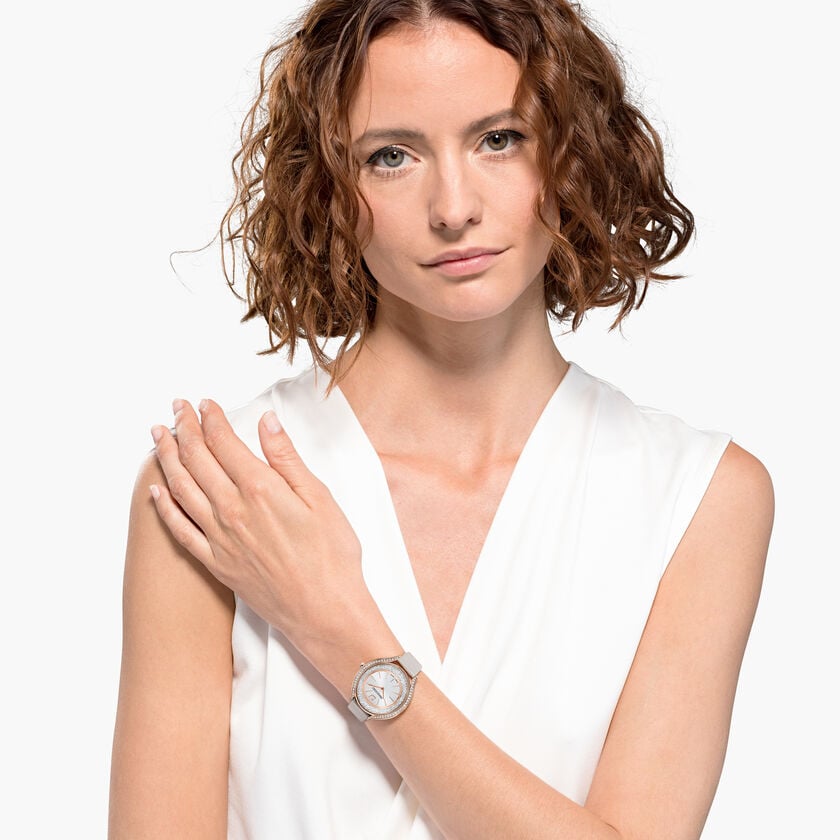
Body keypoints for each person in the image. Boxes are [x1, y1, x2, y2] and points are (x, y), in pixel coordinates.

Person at [108, 1, 774, 837]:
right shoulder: (220, 491)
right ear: (328, 189)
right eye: (391, 156)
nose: (453, 207)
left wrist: (339, 628)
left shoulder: (699, 498)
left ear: (574, 152)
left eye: (500, 138)